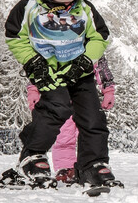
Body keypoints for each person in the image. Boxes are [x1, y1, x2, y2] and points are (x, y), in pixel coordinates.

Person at [4, 0, 120, 189]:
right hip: (47, 73)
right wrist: (33, 63)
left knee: (93, 117)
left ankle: (92, 164)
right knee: (54, 110)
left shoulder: (85, 9)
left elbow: (100, 37)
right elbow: (15, 36)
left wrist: (86, 61)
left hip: (79, 72)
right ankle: (33, 154)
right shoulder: (28, 8)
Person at [25, 56, 116, 184]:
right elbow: (38, 67)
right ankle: (65, 168)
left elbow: (101, 67)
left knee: (91, 128)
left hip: (84, 95)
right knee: (64, 136)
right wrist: (33, 90)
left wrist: (108, 90)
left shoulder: (89, 45)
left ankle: (92, 165)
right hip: (60, 97)